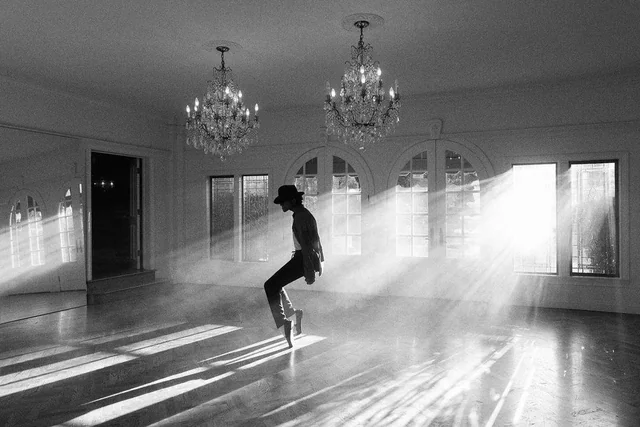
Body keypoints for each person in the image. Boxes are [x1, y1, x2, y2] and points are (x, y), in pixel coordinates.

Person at [264, 185, 324, 348]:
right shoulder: (301, 214)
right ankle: (293, 313)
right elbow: (314, 242)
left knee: (270, 285)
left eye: (283, 202)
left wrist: (309, 270)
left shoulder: (301, 217)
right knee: (276, 284)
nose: (281, 205)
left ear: (292, 200)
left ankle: (284, 322)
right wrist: (319, 262)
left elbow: (308, 245)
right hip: (303, 257)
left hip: (303, 258)